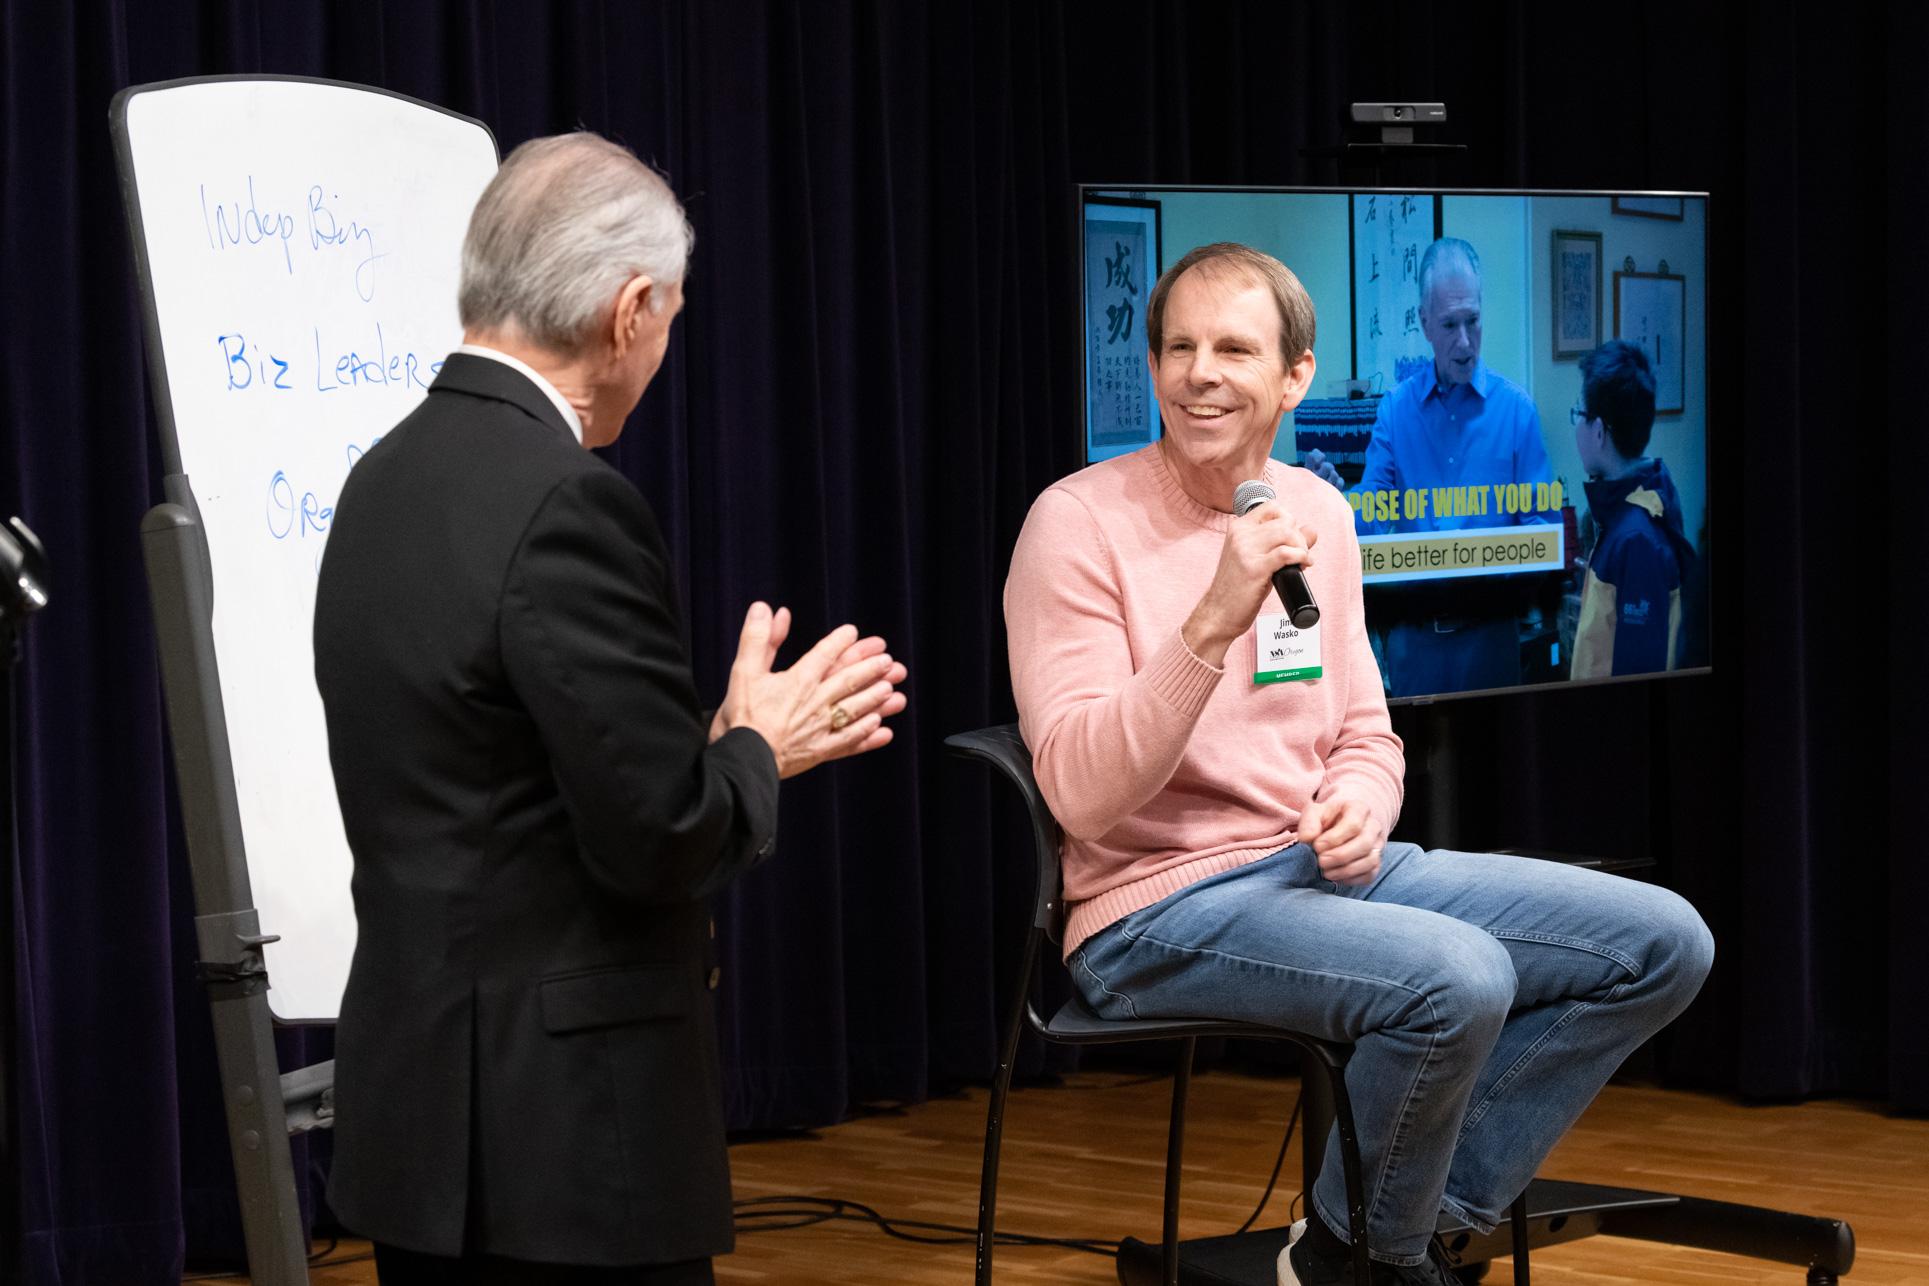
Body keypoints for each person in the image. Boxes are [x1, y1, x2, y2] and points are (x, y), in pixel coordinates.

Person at [1005, 242, 1713, 1285]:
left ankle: (1367, 1233)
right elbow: (1076, 788)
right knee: (1459, 975)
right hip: (1154, 907)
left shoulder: (1320, 516)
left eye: (1234, 348)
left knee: (1666, 941)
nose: (1200, 372)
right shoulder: (1074, 524)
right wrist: (1210, 617)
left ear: (1294, 374)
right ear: (1153, 367)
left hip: (1318, 868)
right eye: (1180, 348)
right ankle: (1380, 1253)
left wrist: (1359, 796)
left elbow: (1367, 732)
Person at [313, 132, 909, 1285]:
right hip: (566, 1143)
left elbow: (507, 781)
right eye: (674, 317)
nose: (665, 346)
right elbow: (661, 838)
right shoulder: (569, 503)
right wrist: (755, 746)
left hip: (422, 1119)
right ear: (630, 308)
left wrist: (712, 744)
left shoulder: (379, 477)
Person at [1305, 238, 1555, 697]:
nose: (1464, 341)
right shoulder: (1396, 412)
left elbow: (1542, 532)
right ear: (1424, 323)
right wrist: (1335, 499)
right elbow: (1372, 518)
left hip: (1490, 643)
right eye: (1450, 324)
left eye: (1473, 321)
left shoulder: (1517, 411)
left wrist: (1477, 570)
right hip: (1413, 644)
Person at [1569, 339, 1696, 678]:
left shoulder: (1638, 541)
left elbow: (1635, 682)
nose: (1576, 426)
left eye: (1579, 414)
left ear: (1598, 432)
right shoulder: (1623, 512)